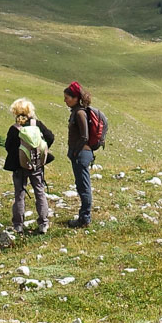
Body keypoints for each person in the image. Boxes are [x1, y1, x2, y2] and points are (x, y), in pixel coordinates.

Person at [4, 97, 54, 234]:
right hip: (37, 165)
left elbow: (8, 146)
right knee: (39, 191)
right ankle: (43, 223)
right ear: (30, 111)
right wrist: (41, 150)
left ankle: (18, 225)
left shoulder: (14, 129)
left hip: (19, 167)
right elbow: (50, 137)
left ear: (15, 112)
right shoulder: (37, 124)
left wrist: (19, 156)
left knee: (19, 194)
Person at [63, 81, 101, 227]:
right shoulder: (77, 112)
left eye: (67, 97)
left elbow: (84, 136)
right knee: (81, 185)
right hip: (81, 154)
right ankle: (84, 217)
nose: (65, 100)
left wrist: (75, 152)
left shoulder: (79, 113)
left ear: (74, 98)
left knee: (84, 186)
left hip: (81, 154)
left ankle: (85, 219)